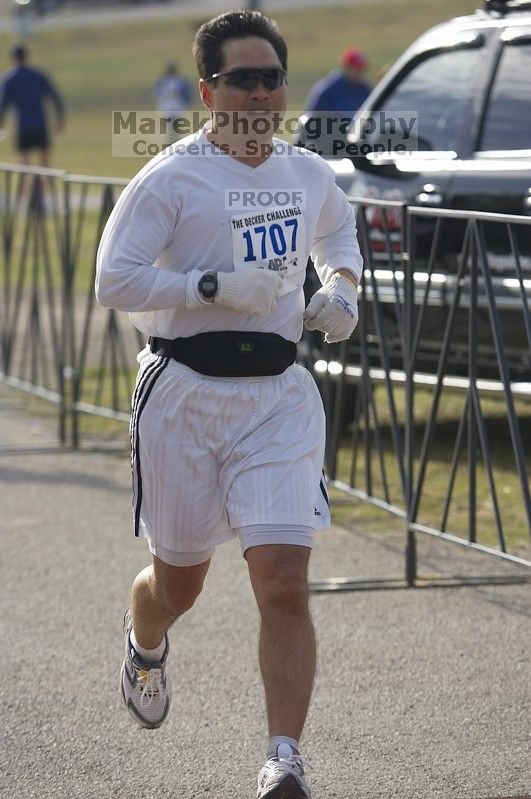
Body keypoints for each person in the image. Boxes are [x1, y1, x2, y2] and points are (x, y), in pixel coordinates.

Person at [96, 10, 362, 799]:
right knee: (178, 585)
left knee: (282, 577)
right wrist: (206, 287)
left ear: (284, 86)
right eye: (239, 78)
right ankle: (145, 641)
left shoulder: (306, 173)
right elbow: (116, 280)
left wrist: (341, 291)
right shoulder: (171, 178)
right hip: (183, 393)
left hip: (277, 398)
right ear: (208, 89)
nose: (257, 92)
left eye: (269, 77)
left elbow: (337, 235)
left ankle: (284, 758)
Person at [0, 44, 65, 167]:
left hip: (23, 125)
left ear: (13, 58)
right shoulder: (38, 75)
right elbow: (56, 97)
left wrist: (1, 123)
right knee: (45, 162)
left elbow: (3, 104)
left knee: (24, 163)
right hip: (40, 123)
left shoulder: (9, 78)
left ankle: (24, 186)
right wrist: (60, 119)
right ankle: (46, 185)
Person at [304, 47, 372, 116]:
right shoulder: (328, 89)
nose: (360, 73)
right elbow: (313, 117)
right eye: (357, 69)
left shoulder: (365, 89)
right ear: (347, 67)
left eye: (363, 69)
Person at [152, 61, 192, 128]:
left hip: (177, 103)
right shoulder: (162, 80)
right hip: (166, 103)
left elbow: (186, 92)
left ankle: (174, 135)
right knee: (169, 123)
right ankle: (171, 135)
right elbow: (156, 92)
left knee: (175, 122)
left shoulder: (180, 80)